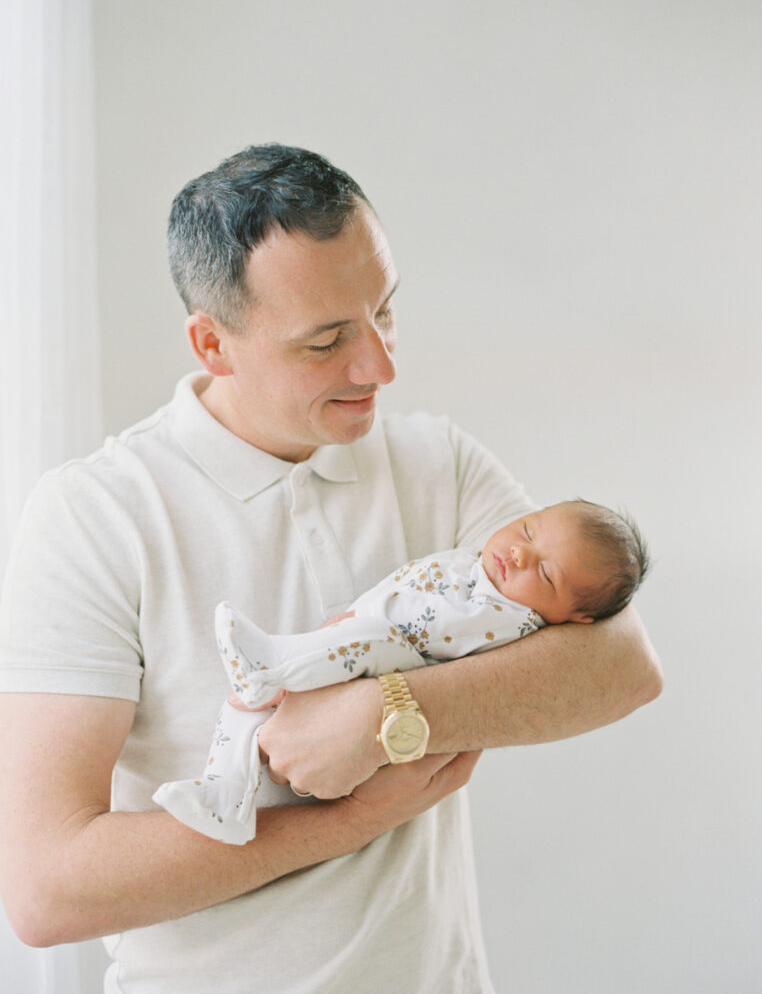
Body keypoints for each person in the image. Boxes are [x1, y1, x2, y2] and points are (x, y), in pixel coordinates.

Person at [0, 144, 663, 994]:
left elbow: (621, 666)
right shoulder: (95, 518)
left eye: (385, 313)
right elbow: (48, 890)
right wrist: (350, 820)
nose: (380, 367)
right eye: (327, 342)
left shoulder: (438, 463)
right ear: (214, 344)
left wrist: (386, 712)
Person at [155, 499, 650, 844]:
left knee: (338, 654)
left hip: (396, 660)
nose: (520, 554)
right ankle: (225, 794)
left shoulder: (509, 616)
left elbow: (423, 627)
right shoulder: (484, 567)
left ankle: (275, 661)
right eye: (526, 530)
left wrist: (359, 672)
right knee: (243, 706)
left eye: (544, 573)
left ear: (576, 618)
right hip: (356, 649)